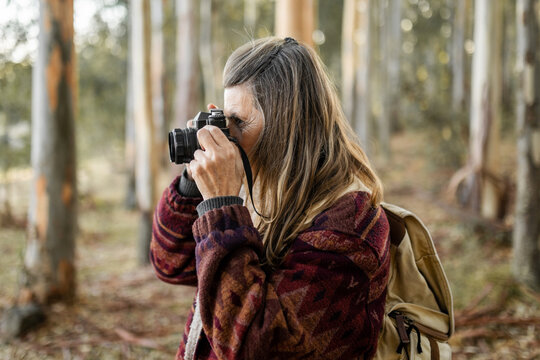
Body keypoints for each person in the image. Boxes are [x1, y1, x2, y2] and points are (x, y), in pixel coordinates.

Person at [150, 36, 390, 360]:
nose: (226, 137)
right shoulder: (258, 187)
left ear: (287, 124)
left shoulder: (350, 224)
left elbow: (256, 346)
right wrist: (194, 184)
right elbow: (170, 264)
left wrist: (221, 208)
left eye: (239, 123)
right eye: (225, 118)